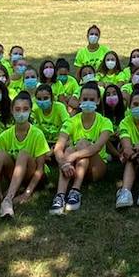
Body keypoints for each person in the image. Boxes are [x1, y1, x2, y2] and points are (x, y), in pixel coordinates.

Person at [49, 84, 112, 215]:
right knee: (68, 150)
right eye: (85, 99)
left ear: (98, 101)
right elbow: (58, 147)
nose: (88, 102)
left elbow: (97, 147)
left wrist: (72, 157)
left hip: (96, 168)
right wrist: (64, 163)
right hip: (74, 168)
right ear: (80, 101)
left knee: (82, 144)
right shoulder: (71, 122)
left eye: (91, 99)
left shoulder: (105, 122)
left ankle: (75, 190)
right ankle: (60, 195)